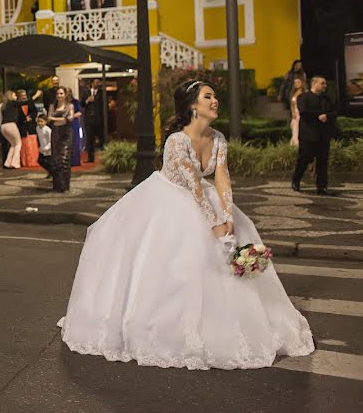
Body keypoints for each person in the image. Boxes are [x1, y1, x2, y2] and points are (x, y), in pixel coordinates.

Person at [58, 80, 314, 369]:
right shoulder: (176, 141)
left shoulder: (218, 137)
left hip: (203, 196)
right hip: (168, 200)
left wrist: (228, 214)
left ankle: (240, 320)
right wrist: (214, 222)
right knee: (184, 261)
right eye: (208, 97)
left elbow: (221, 177)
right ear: (193, 106)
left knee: (241, 234)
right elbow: (193, 183)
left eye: (215, 96)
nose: (215, 101)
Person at [292, 76, 337, 195]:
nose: (325, 86)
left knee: (322, 162)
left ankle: (322, 187)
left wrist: (327, 116)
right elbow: (303, 112)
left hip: (323, 135)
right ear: (314, 83)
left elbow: (335, 112)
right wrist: (320, 115)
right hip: (308, 135)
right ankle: (296, 180)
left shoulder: (327, 99)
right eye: (322, 83)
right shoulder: (303, 97)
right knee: (304, 159)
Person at [47, 87, 74, 192]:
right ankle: (57, 186)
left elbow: (70, 118)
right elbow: (49, 119)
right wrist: (62, 119)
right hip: (55, 134)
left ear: (65, 94)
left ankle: (65, 186)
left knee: (65, 159)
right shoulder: (52, 106)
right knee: (56, 160)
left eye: (61, 93)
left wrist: (58, 120)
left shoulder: (69, 106)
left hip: (66, 134)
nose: (59, 95)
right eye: (58, 93)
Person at [81, 79, 105, 163]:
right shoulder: (86, 92)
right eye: (96, 82)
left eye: (99, 82)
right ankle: (90, 157)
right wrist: (87, 100)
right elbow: (82, 104)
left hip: (99, 119)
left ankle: (104, 157)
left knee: (102, 138)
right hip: (89, 119)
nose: (98, 83)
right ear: (92, 83)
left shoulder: (102, 92)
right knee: (90, 139)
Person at [0, 90, 23, 170]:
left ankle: (7, 162)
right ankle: (15, 163)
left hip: (3, 126)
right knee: (18, 143)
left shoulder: (3, 105)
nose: (16, 97)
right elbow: (24, 102)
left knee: (13, 144)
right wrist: (36, 96)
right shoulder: (12, 103)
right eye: (14, 95)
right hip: (11, 124)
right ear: (11, 96)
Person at [16, 89, 39, 168]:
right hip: (22, 126)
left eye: (25, 95)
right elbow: (17, 116)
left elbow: (35, 112)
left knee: (32, 142)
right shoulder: (17, 105)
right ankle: (25, 161)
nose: (24, 97)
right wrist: (24, 119)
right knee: (24, 143)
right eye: (22, 96)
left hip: (31, 125)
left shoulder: (30, 103)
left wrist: (31, 117)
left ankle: (33, 161)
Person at [65, 87, 83, 168]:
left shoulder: (75, 102)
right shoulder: (62, 102)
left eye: (69, 92)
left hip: (74, 123)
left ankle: (75, 161)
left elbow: (79, 113)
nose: (68, 93)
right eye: (66, 92)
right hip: (65, 123)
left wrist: (72, 116)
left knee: (75, 141)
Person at [289, 76, 307, 147]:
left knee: (300, 129)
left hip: (301, 112)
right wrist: (293, 112)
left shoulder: (304, 92)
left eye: (298, 82)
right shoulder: (294, 92)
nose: (296, 84)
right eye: (295, 83)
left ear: (302, 83)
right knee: (295, 129)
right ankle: (294, 145)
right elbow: (292, 104)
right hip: (295, 113)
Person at [36, 114, 53, 179]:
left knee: (49, 163)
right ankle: (50, 172)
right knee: (40, 161)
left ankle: (53, 174)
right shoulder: (37, 128)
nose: (40, 123)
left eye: (41, 121)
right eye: (39, 121)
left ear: (45, 122)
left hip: (49, 149)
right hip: (42, 148)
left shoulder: (48, 130)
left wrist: (46, 148)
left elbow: (51, 141)